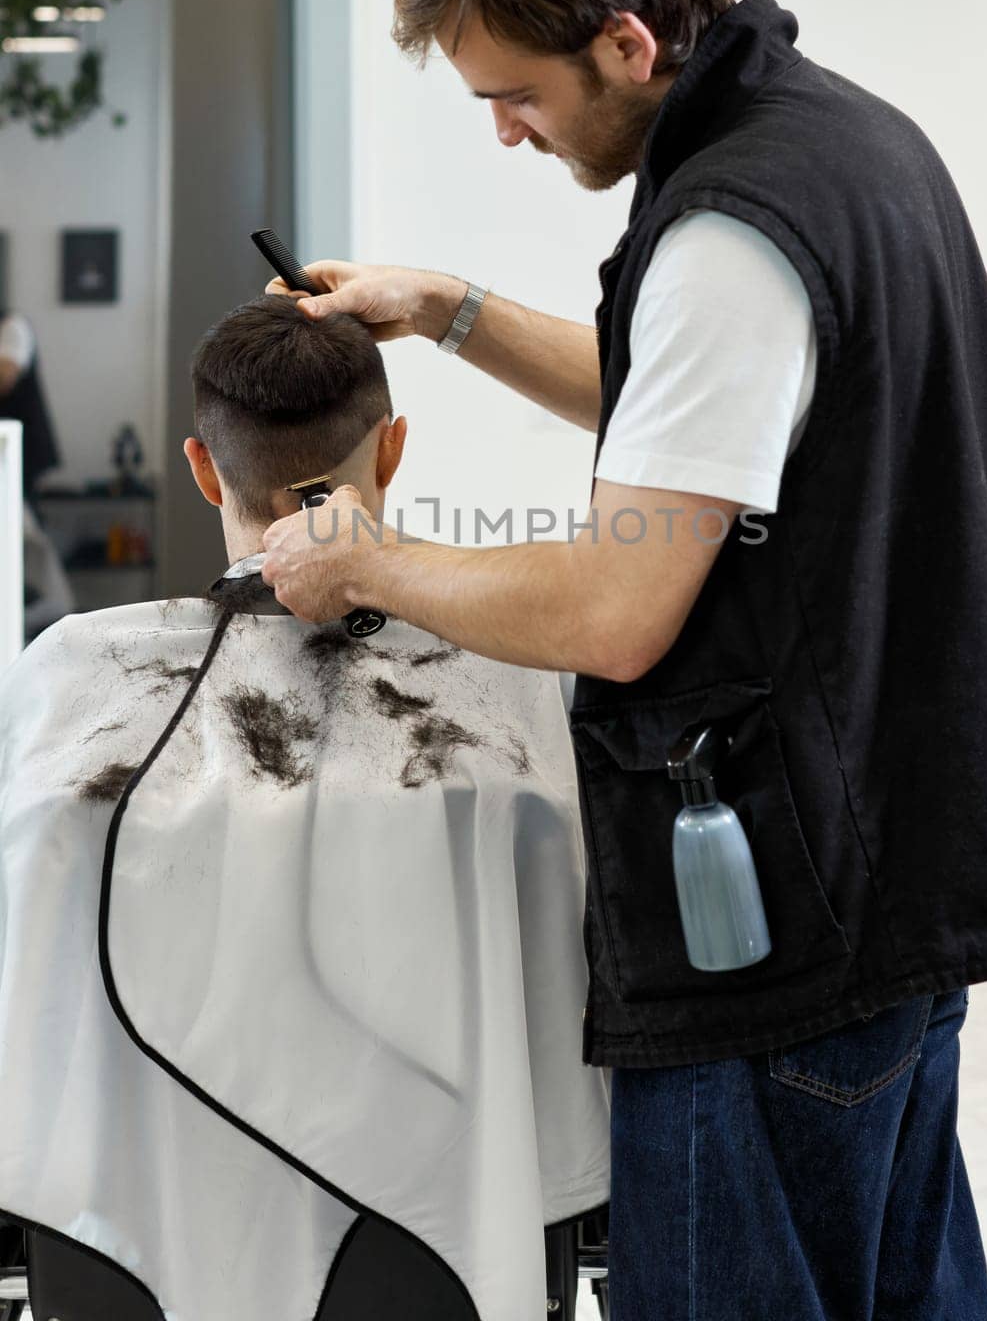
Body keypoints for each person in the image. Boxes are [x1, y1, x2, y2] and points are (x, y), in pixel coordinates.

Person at [260, 0, 987, 1319]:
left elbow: (613, 610)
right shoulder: (838, 143)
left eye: (515, 95)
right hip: (893, 860)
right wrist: (444, 309)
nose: (505, 131)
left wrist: (366, 559)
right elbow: (691, 414)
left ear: (625, 43)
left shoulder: (727, 233)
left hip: (784, 921)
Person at [0, 296, 609, 1321]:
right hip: (445, 1250)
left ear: (202, 467)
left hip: (130, 1244)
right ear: (396, 448)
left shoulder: (67, 685)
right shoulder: (510, 690)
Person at [0, 306, 73, 637]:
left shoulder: (13, 327)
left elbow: (6, 376)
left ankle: (50, 613)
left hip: (17, 458)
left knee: (26, 542)